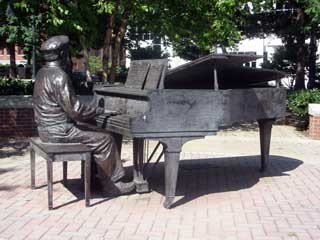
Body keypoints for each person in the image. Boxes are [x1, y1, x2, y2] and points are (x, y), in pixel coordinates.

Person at [32, 35, 135, 195]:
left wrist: (91, 112)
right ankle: (112, 186)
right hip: (59, 131)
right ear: (62, 54)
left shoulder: (42, 73)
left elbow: (71, 109)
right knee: (106, 139)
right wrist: (101, 111)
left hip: (46, 130)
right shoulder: (59, 76)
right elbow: (75, 111)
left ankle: (94, 179)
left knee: (94, 131)